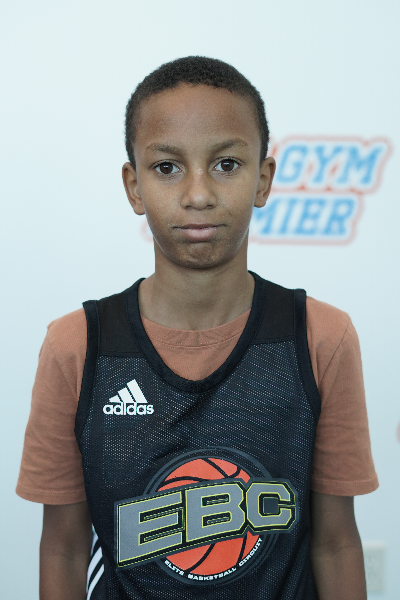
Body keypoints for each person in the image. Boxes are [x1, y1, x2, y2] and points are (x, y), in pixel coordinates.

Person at [17, 56, 378, 600]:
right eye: (167, 167)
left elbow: (336, 543)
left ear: (263, 179)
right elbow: (63, 549)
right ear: (134, 186)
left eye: (226, 164)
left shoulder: (321, 337)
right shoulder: (78, 345)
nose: (199, 193)